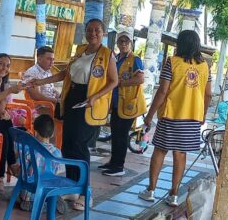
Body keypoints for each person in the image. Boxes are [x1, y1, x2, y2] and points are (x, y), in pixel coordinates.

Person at [31, 19, 118, 211]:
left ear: (103, 33)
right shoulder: (80, 50)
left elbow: (114, 81)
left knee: (80, 145)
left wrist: (95, 97)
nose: (93, 33)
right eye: (89, 30)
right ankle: (72, 186)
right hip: (72, 99)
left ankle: (86, 192)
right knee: (68, 144)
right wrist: (40, 81)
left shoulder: (107, 54)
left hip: (89, 102)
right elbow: (65, 74)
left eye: (97, 30)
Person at [139, 30, 212, 207]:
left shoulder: (172, 63)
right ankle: (173, 195)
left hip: (171, 115)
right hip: (192, 117)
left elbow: (163, 91)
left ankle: (151, 190)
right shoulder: (205, 67)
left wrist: (149, 116)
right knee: (180, 154)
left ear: (181, 44)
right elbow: (208, 94)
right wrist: (201, 116)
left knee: (160, 151)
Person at [99, 31, 145, 177]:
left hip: (128, 104)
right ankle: (113, 162)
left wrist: (121, 83)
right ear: (117, 43)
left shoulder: (135, 59)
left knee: (121, 135)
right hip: (116, 103)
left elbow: (140, 79)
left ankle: (119, 166)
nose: (123, 44)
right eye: (121, 41)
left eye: (126, 41)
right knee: (115, 133)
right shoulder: (117, 58)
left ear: (131, 43)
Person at [0, 53, 30, 181]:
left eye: (7, 66)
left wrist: (4, 113)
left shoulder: (5, 84)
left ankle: (0, 176)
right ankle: (11, 166)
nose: (4, 68)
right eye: (1, 64)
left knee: (5, 130)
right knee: (6, 129)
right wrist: (8, 91)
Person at [18, 114, 67, 213]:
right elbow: (61, 176)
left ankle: (44, 204)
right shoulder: (57, 153)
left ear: (35, 132)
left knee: (23, 202)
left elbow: (22, 171)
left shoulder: (29, 150)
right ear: (52, 134)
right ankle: (52, 200)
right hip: (49, 190)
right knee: (51, 189)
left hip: (30, 195)